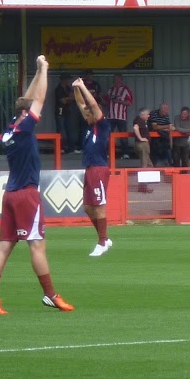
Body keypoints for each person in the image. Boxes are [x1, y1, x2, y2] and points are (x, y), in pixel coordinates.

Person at [0, 54, 73, 315]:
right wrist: (45, 69)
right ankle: (50, 295)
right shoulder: (23, 129)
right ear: (25, 113)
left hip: (10, 194)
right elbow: (39, 100)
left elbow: (28, 99)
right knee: (37, 245)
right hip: (26, 195)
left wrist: (35, 72)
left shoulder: (9, 130)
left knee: (4, 246)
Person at [73, 76, 115, 256]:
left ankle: (101, 242)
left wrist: (82, 86)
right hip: (90, 168)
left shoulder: (102, 125)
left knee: (99, 205)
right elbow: (81, 104)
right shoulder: (90, 126)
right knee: (88, 207)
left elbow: (93, 106)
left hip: (99, 168)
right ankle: (104, 238)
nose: (86, 114)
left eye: (89, 113)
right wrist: (76, 88)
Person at [107, 74, 134, 152]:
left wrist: (119, 101)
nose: (116, 81)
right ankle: (109, 152)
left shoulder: (126, 90)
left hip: (121, 117)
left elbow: (130, 103)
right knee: (108, 135)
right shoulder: (111, 90)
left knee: (123, 135)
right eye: (114, 79)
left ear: (121, 80)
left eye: (118, 79)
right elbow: (106, 101)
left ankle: (125, 153)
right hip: (110, 116)